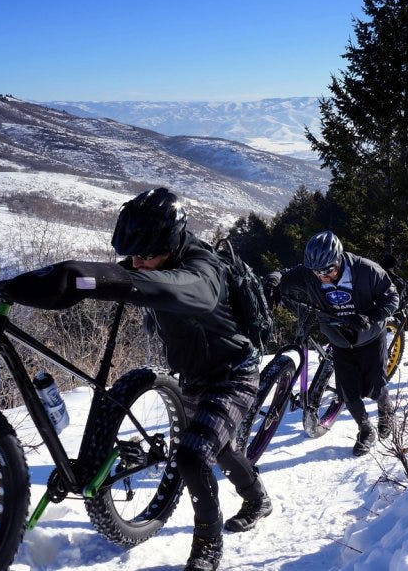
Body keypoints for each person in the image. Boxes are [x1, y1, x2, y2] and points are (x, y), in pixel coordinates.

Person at [111, 188, 271, 571]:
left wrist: (132, 281)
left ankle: (207, 546)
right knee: (221, 449)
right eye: (131, 256)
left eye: (145, 255)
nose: (137, 264)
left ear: (169, 243)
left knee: (192, 455)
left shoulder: (204, 266)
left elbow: (195, 291)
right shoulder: (150, 263)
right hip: (196, 376)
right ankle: (258, 499)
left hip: (235, 373)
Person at [280, 231, 400, 456]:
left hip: (370, 338)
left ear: (339, 259)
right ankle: (365, 429)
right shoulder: (311, 273)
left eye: (327, 270)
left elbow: (392, 297)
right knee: (348, 393)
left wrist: (370, 316)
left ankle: (386, 412)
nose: (322, 276)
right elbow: (284, 277)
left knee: (376, 386)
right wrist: (273, 282)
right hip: (340, 341)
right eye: (317, 272)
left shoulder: (366, 270)